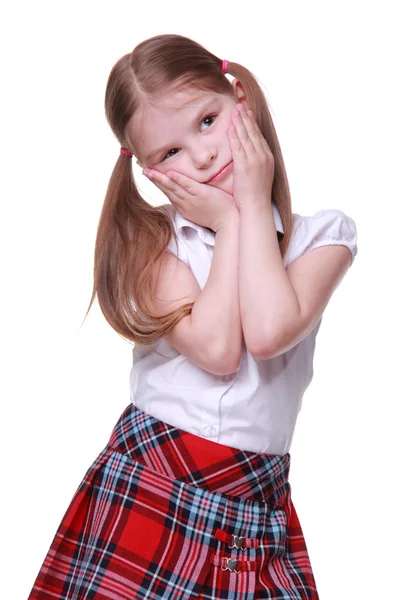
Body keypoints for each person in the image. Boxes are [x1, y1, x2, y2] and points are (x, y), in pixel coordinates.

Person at [28, 33, 358, 599]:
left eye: (207, 121)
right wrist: (230, 224)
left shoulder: (321, 238)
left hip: (252, 501)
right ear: (148, 171)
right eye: (169, 153)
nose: (202, 156)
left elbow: (269, 330)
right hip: (151, 482)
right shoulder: (152, 243)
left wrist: (252, 206)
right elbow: (217, 348)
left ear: (241, 102)